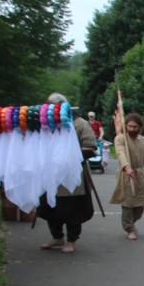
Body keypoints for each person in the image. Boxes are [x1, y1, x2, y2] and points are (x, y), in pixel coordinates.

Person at [37, 94, 99, 254]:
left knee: (73, 211)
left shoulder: (80, 124)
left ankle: (71, 240)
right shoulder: (48, 126)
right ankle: (57, 237)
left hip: (74, 175)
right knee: (50, 207)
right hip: (52, 176)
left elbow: (91, 147)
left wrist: (69, 156)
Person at [109, 113, 144, 240]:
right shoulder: (120, 139)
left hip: (139, 175)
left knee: (140, 204)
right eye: (129, 126)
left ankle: (132, 222)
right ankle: (129, 228)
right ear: (126, 126)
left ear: (140, 127)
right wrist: (126, 167)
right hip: (126, 174)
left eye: (135, 127)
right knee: (128, 203)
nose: (131, 129)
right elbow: (121, 153)